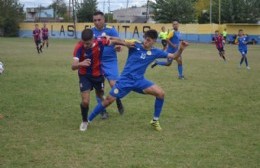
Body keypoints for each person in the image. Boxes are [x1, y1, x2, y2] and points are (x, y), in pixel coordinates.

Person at [87, 30, 189, 131]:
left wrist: (181, 49)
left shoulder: (155, 52)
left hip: (139, 81)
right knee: (108, 101)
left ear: (154, 41)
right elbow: (120, 40)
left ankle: (155, 121)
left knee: (161, 94)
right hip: (125, 81)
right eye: (145, 39)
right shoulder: (135, 44)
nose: (145, 41)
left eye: (148, 40)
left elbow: (174, 56)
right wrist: (108, 37)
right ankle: (87, 120)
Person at [71, 29, 131, 131]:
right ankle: (85, 121)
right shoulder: (79, 46)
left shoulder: (100, 41)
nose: (86, 45)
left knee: (100, 95)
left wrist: (127, 44)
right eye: (84, 43)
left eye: (88, 43)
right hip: (84, 76)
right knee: (85, 101)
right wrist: (81, 63)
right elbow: (73, 66)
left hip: (98, 76)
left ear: (93, 39)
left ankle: (110, 103)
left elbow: (114, 41)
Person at [91, 11, 124, 119]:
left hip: (110, 61)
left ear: (104, 20)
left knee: (114, 84)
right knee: (99, 89)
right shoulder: (91, 31)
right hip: (97, 63)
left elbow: (119, 42)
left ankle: (117, 98)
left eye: (99, 20)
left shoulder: (111, 30)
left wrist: (118, 47)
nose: (97, 22)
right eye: (95, 20)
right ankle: (103, 111)